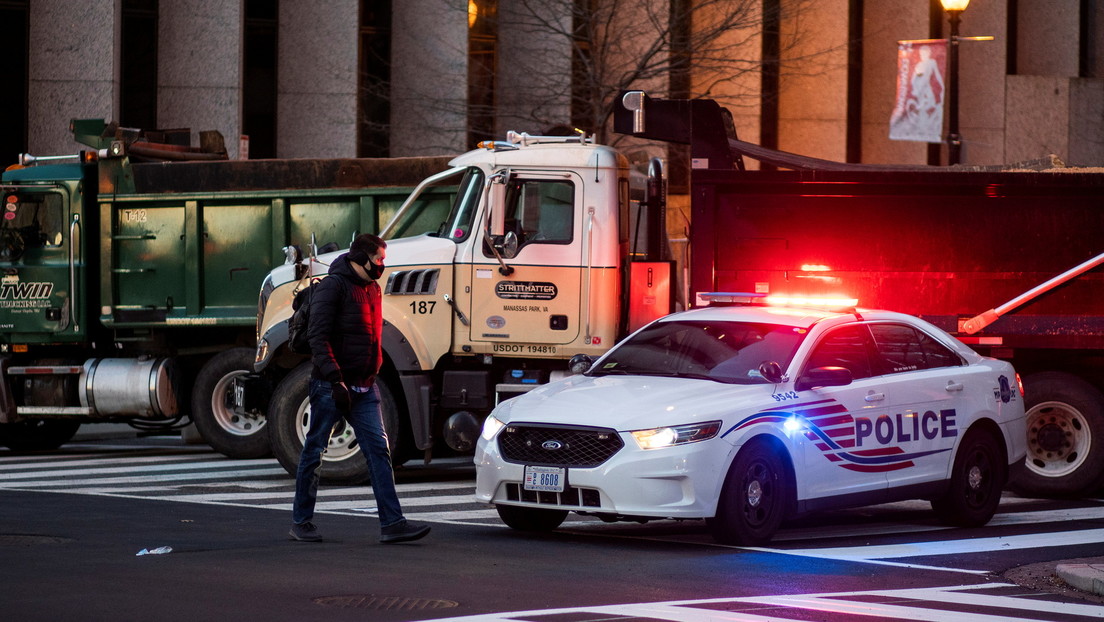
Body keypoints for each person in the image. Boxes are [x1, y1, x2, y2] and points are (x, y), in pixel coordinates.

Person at [289, 233, 430, 544]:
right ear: (362, 258)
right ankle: (301, 522)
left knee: (379, 451)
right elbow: (317, 337)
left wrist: (374, 369)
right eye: (379, 259)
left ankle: (392, 524)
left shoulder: (373, 288)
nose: (383, 264)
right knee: (314, 451)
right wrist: (336, 380)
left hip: (365, 387)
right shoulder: (333, 286)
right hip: (331, 386)